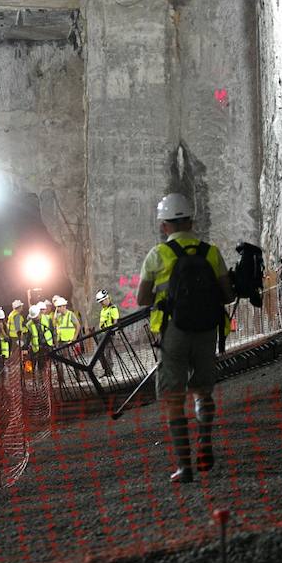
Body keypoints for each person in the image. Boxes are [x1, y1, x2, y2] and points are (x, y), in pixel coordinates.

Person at [137, 192, 234, 484]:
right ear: (191, 220)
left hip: (173, 333)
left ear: (164, 225)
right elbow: (228, 294)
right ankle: (204, 441)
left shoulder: (157, 255)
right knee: (203, 391)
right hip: (206, 331)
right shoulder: (211, 252)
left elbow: (142, 298)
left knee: (173, 398)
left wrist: (164, 297)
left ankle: (184, 466)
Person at [95, 290, 120, 377]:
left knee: (107, 353)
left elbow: (115, 321)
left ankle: (109, 372)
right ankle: (106, 369)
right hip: (102, 334)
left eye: (102, 301)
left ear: (107, 299)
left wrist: (112, 332)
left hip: (110, 335)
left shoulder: (113, 308)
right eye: (100, 302)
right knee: (98, 354)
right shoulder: (103, 310)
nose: (101, 303)